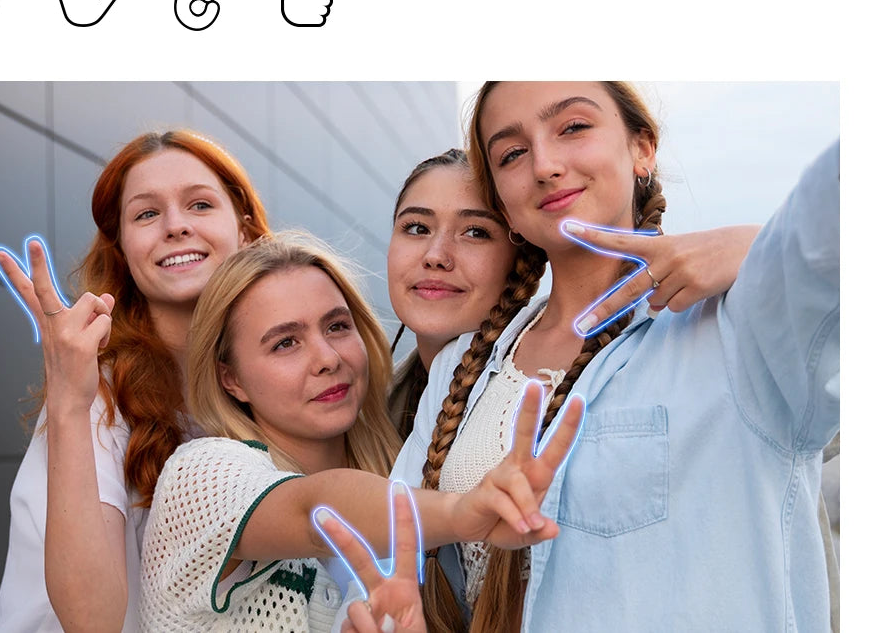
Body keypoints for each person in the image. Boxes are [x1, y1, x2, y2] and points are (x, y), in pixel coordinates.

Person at [391, 82, 839, 632]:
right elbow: (387, 553)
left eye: (573, 127)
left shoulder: (740, 326)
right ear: (504, 204)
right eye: (512, 153)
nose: (545, 165)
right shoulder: (463, 365)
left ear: (642, 149)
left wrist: (754, 243)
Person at [139, 232, 586, 632]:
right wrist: (461, 514)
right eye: (285, 343)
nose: (327, 358)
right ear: (230, 379)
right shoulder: (198, 475)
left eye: (336, 326)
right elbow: (315, 510)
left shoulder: (411, 470)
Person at [0, 130, 271, 633]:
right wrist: (69, 401)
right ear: (123, 251)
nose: (176, 226)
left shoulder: (270, 381)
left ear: (245, 230)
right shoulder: (97, 395)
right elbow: (92, 621)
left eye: (200, 204)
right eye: (146, 214)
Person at [384, 148, 761, 442]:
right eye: (416, 227)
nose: (435, 256)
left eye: (476, 232)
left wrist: (757, 248)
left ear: (522, 255)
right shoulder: (365, 406)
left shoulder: (592, 365)